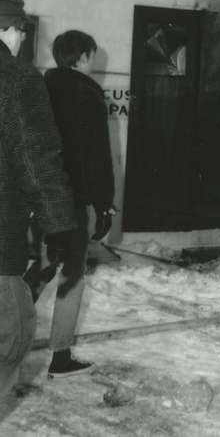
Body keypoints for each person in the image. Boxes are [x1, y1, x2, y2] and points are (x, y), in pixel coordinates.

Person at [0, 0, 76, 413]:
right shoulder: (17, 79)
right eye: (21, 31)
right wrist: (60, 227)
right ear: (7, 30)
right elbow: (37, 160)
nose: (22, 40)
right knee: (10, 340)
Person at [41, 30, 115, 378]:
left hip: (39, 196)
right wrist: (104, 206)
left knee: (37, 269)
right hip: (72, 200)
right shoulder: (87, 96)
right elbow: (97, 158)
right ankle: (60, 357)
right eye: (92, 55)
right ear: (83, 56)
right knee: (72, 274)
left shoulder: (40, 88)